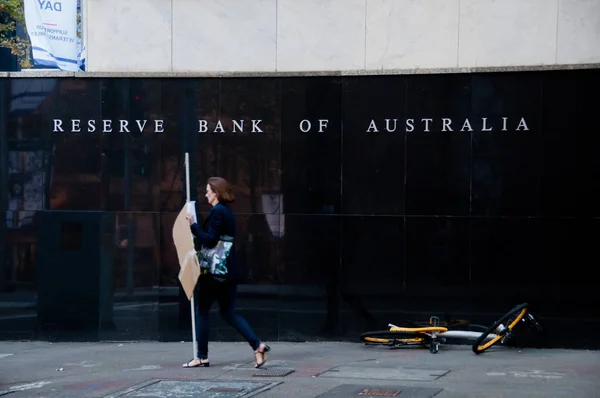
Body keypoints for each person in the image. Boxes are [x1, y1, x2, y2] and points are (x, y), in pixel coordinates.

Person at [182, 177, 270, 369]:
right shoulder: (228, 213)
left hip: (214, 270)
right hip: (229, 270)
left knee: (202, 311)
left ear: (216, 192)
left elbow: (210, 240)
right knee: (229, 312)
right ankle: (257, 345)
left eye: (207, 191)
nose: (205, 194)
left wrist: (193, 226)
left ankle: (202, 357)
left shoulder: (217, 212)